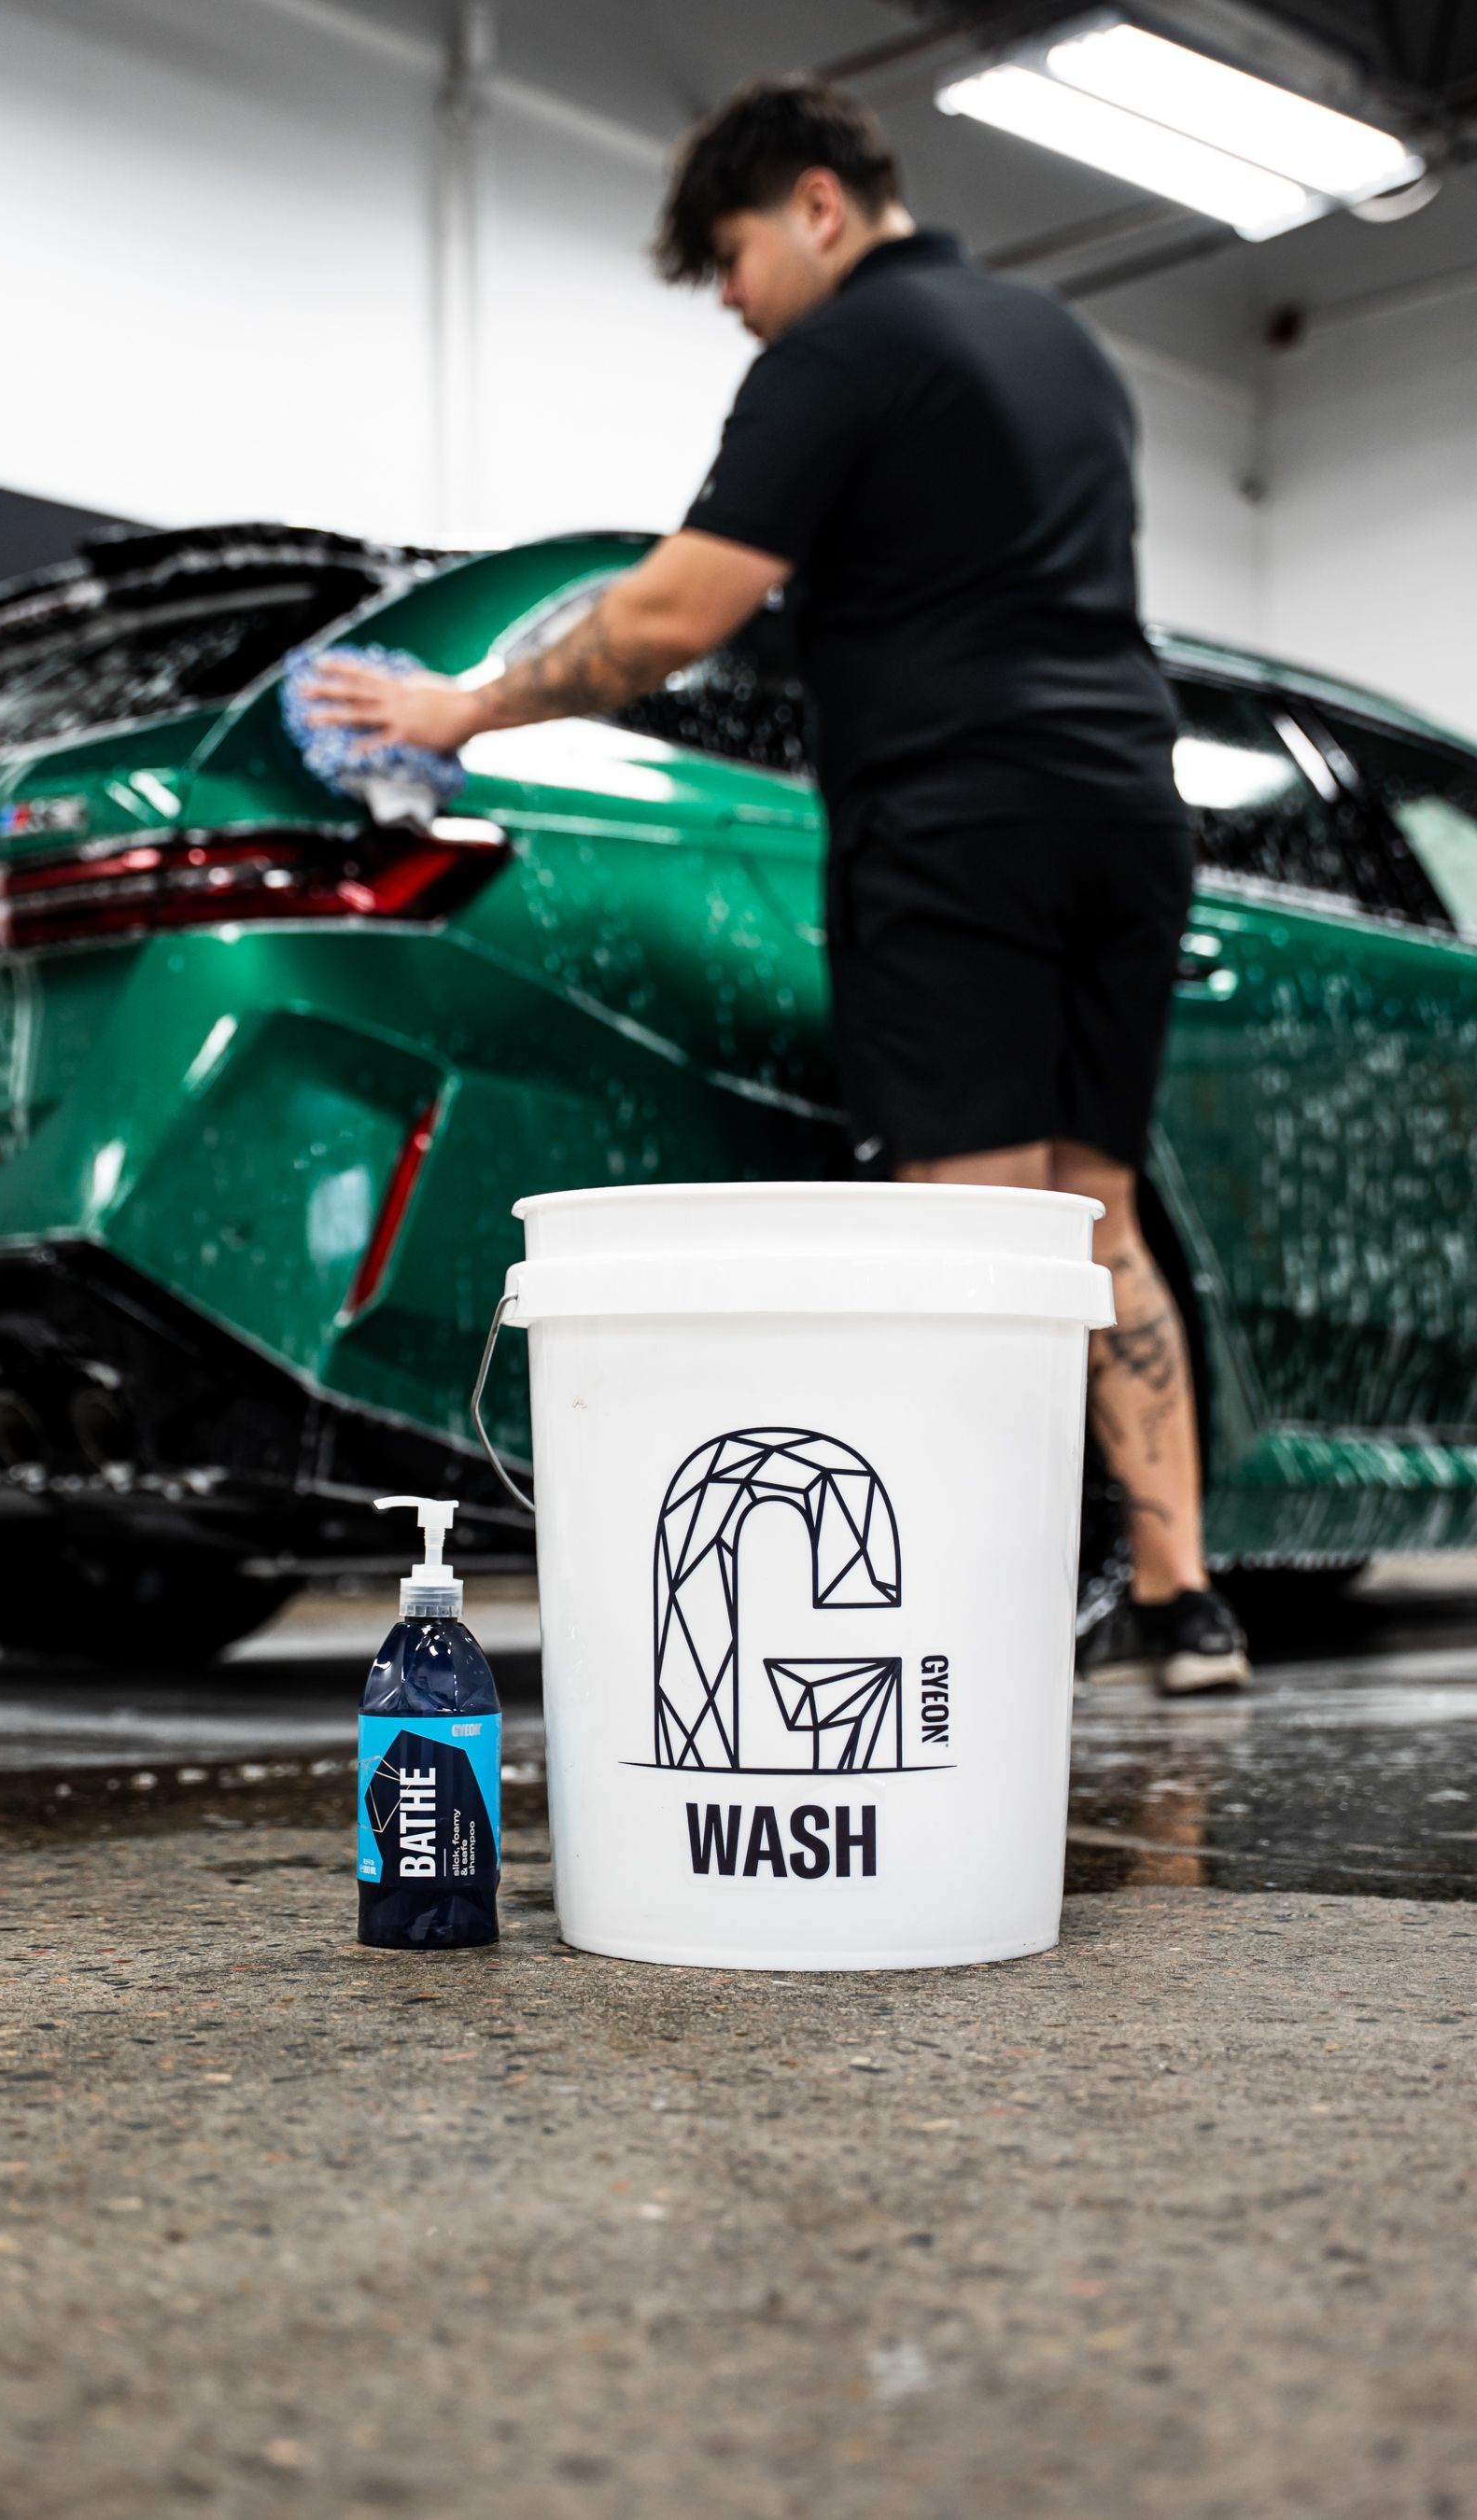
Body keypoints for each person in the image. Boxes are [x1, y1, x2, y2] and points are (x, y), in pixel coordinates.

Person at [302, 75, 1250, 1696]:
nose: (733, 305)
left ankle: (962, 1602)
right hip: (1129, 808)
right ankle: (1183, 1597)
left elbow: (672, 617)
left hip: (958, 817)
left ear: (818, 206)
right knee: (1093, 1199)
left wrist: (461, 708)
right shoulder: (1061, 347)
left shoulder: (842, 351)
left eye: (732, 259)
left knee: (972, 1215)